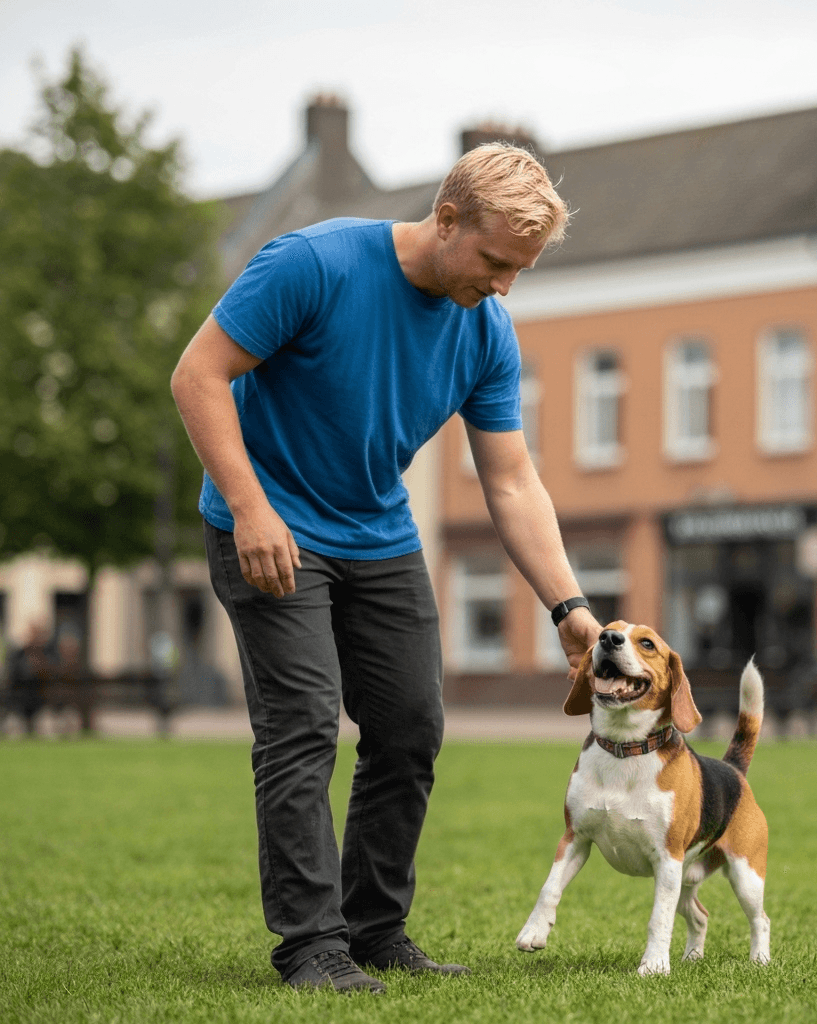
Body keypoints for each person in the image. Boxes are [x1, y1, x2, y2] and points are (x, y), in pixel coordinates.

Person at [171, 143, 604, 994]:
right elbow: (198, 375)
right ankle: (311, 946)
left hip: (377, 534)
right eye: (494, 262)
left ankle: (374, 930)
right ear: (446, 219)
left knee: (409, 728)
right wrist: (251, 508)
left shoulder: (485, 330)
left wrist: (568, 607)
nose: (504, 287)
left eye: (519, 272)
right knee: (302, 725)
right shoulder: (313, 264)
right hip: (269, 526)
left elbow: (512, 481)